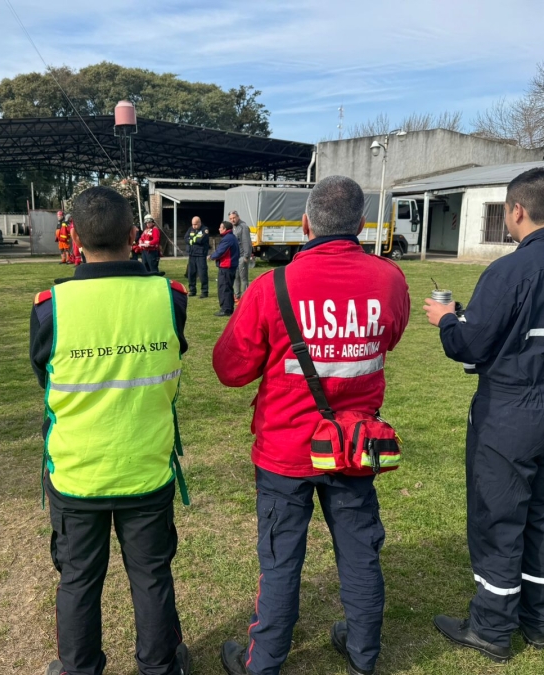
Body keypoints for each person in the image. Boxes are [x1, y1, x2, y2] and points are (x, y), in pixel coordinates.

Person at [212, 176, 411, 675]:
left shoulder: (271, 287)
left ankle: (265, 662)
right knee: (360, 552)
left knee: (280, 560)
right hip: (354, 446)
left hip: (286, 451)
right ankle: (364, 653)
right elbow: (391, 336)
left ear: (305, 224)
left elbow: (230, 369)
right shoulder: (388, 280)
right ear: (362, 225)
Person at [424, 168, 544, 662]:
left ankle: (491, 626)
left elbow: (470, 343)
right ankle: (536, 619)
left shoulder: (511, 270)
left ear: (517, 210)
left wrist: (447, 320)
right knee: (543, 517)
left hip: (513, 411)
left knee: (498, 518)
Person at [30, 186, 191, 675]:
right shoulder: (169, 296)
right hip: (145, 465)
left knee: (78, 580)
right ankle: (160, 666)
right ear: (132, 236)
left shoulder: (50, 306)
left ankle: (79, 669)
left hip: (79, 472)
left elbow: (45, 375)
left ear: (74, 238)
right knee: (151, 576)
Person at [209, 220, 239, 317]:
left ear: (225, 229)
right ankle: (229, 308)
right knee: (228, 288)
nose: (219, 229)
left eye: (220, 227)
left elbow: (221, 251)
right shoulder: (231, 237)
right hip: (230, 267)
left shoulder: (227, 239)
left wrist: (212, 256)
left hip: (226, 267)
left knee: (224, 288)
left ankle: (225, 309)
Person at [229, 211, 252, 302]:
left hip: (242, 256)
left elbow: (246, 242)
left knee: (243, 278)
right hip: (235, 257)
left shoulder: (243, 227)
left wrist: (246, 256)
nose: (232, 220)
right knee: (236, 277)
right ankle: (237, 296)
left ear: (238, 217)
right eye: (230, 219)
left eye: (234, 218)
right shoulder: (233, 227)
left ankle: (245, 297)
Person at [184, 217, 210, 298]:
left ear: (199, 223)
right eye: (193, 224)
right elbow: (185, 238)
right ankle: (192, 290)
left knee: (202, 273)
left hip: (201, 255)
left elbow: (201, 240)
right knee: (191, 273)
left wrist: (191, 240)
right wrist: (194, 240)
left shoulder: (205, 230)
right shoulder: (190, 229)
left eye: (195, 224)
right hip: (192, 254)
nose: (194, 226)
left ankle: (204, 291)